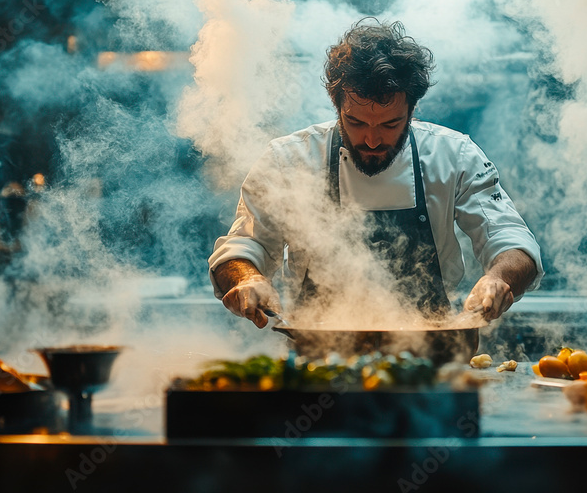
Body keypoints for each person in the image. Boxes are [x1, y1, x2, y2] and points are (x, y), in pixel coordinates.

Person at [209, 18, 542, 328]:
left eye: (390, 123)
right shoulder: (288, 159)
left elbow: (509, 239)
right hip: (319, 358)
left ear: (413, 110)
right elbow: (244, 245)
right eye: (355, 122)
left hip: (435, 358)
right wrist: (246, 279)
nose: (371, 138)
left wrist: (499, 278)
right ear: (336, 106)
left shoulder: (455, 156)